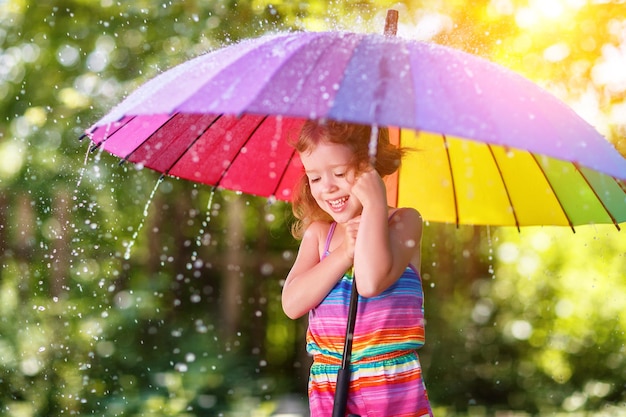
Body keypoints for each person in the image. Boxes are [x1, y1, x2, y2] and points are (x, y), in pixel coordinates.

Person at [282, 120, 433, 417]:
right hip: (331, 382)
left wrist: (375, 203)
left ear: (370, 168)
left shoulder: (404, 222)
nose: (327, 187)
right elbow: (292, 303)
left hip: (390, 383)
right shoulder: (319, 234)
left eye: (339, 173)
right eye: (314, 178)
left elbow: (371, 282)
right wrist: (342, 253)